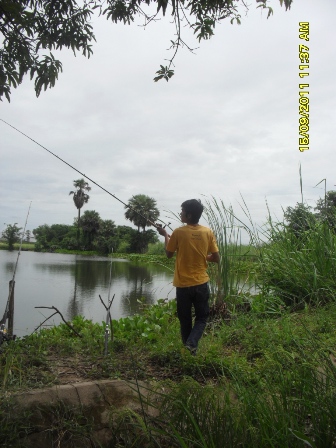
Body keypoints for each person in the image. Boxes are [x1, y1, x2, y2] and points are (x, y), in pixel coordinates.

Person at [157, 199, 220, 355]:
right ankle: (190, 350)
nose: (180, 213)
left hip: (183, 285)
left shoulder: (178, 232)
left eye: (182, 211)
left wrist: (165, 235)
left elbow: (168, 254)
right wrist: (203, 256)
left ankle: (190, 344)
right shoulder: (207, 232)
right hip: (201, 284)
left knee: (185, 320)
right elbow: (217, 258)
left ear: (189, 215)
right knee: (202, 318)